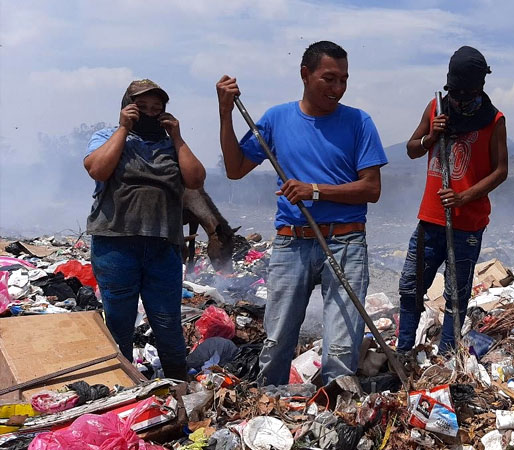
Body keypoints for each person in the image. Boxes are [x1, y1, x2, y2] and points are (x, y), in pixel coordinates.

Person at [215, 41, 387, 386]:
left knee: (340, 348)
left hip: (346, 242)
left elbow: (372, 188)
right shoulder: (276, 119)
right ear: (305, 75)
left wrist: (315, 190)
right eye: (329, 79)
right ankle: (269, 412)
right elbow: (235, 169)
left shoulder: (358, 122)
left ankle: (330, 415)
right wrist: (225, 112)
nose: (338, 88)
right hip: (291, 243)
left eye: (344, 80)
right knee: (276, 342)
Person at [84, 79, 206, 380]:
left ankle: (178, 384)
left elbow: (196, 179)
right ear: (127, 107)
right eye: (141, 108)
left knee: (167, 321)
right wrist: (123, 129)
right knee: (119, 322)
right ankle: (123, 388)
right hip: (116, 244)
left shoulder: (169, 144)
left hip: (163, 246)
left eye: (157, 109)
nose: (149, 114)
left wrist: (177, 136)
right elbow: (97, 169)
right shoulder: (107, 136)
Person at [397, 46, 508, 354]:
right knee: (410, 287)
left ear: (480, 88)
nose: (460, 101)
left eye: (467, 95)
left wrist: (464, 197)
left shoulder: (494, 120)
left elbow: (501, 171)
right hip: (430, 220)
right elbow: (411, 148)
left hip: (467, 225)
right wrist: (430, 137)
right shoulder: (436, 109)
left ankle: (447, 358)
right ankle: (404, 351)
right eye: (455, 94)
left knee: (455, 297)